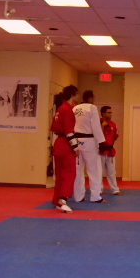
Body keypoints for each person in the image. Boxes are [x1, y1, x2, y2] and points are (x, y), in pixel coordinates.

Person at [73, 90, 107, 203]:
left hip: (76, 141)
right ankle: (96, 196)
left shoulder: (74, 109)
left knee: (78, 171)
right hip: (89, 141)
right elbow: (96, 126)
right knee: (94, 170)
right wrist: (101, 142)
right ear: (90, 98)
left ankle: (78, 196)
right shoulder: (91, 108)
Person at [49, 85, 79, 213]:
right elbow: (68, 130)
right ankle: (62, 200)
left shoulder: (60, 109)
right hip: (66, 144)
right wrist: (75, 147)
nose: (78, 96)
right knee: (69, 173)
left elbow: (54, 127)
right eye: (77, 94)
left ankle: (56, 199)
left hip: (58, 143)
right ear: (73, 95)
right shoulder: (67, 109)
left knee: (60, 174)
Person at [99, 105, 121, 196]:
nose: (110, 114)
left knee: (112, 172)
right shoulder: (98, 123)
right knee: (99, 172)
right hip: (100, 151)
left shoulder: (113, 124)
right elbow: (96, 136)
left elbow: (115, 136)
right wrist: (102, 127)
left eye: (111, 112)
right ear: (103, 113)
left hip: (110, 150)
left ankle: (115, 189)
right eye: (108, 112)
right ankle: (99, 190)